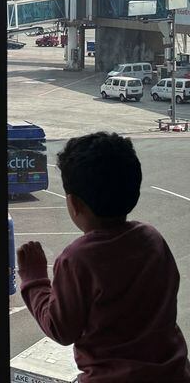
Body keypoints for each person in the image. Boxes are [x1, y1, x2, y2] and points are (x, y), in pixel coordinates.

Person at [17, 132, 190, 382]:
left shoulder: (77, 259)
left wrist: (34, 279)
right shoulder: (152, 239)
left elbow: (61, 329)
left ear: (74, 204)